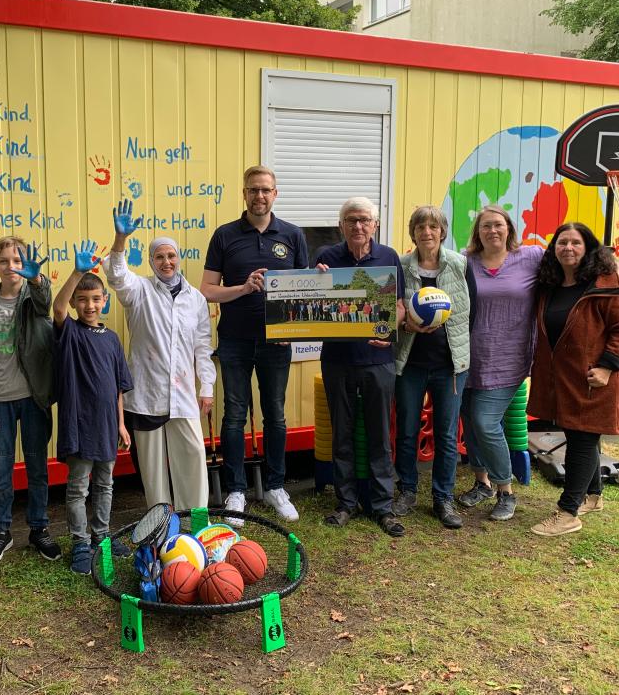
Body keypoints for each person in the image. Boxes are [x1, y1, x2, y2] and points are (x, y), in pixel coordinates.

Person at [201, 165, 308, 525]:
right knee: (234, 415)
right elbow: (208, 290)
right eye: (252, 190)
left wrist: (322, 283)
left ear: (275, 194)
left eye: (265, 190)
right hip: (234, 340)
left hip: (277, 342)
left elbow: (304, 288)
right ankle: (236, 491)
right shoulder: (225, 236)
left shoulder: (293, 235)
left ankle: (276, 487)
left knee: (275, 415)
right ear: (244, 194)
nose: (259, 196)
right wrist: (244, 288)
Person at [103, 199, 215, 510]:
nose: (166, 261)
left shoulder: (195, 299)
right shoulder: (138, 291)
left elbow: (202, 346)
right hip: (147, 392)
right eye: (159, 257)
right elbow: (116, 275)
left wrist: (206, 387)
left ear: (179, 258)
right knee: (152, 468)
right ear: (151, 262)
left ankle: (194, 517)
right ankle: (161, 521)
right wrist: (121, 239)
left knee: (192, 456)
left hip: (183, 395)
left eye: (171, 255)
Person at [528, 223, 619, 537]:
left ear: (588, 249)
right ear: (554, 249)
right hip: (566, 379)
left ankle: (568, 512)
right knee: (579, 436)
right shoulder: (550, 285)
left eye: (576, 243)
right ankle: (594, 495)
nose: (568, 248)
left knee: (582, 440)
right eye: (562, 243)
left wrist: (606, 367)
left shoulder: (606, 283)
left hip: (595, 379)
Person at [316, 197, 406, 537]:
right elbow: (312, 303)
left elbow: (398, 306)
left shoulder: (388, 258)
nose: (358, 226)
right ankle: (346, 503)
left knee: (380, 435)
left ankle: (382, 507)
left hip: (378, 361)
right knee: (342, 433)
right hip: (337, 360)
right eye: (351, 220)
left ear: (375, 224)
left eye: (364, 220)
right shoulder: (325, 258)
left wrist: (390, 330)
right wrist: (315, 281)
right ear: (341, 225)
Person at [0, 237, 58, 564]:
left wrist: (36, 279)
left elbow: (45, 302)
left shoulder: (32, 299)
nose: (11, 267)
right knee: (1, 468)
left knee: (37, 466)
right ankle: (1, 531)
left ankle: (39, 529)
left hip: (33, 398)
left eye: (17, 261)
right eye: (4, 261)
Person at [457, 205, 544, 521]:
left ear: (508, 228)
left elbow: (572, 265)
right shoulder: (465, 262)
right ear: (477, 233)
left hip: (509, 358)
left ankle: (505, 490)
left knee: (485, 421)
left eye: (498, 225)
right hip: (467, 357)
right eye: (485, 227)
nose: (492, 231)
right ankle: (482, 484)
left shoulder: (531, 257)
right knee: (470, 422)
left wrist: (610, 265)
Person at [393, 206, 476, 529]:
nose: (427, 232)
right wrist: (405, 327)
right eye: (420, 227)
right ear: (412, 233)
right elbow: (390, 311)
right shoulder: (400, 266)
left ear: (442, 231)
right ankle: (408, 490)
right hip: (410, 363)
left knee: (445, 432)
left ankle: (443, 497)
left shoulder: (459, 264)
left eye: (433, 226)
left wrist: (458, 351)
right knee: (408, 430)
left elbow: (473, 311)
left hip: (449, 365)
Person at [53, 240, 134, 574]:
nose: (89, 305)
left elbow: (117, 387)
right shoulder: (69, 332)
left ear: (105, 301)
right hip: (79, 425)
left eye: (95, 299)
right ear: (75, 302)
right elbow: (57, 308)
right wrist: (77, 272)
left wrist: (121, 424)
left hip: (106, 427)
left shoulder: (112, 339)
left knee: (105, 485)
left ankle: (101, 536)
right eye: (82, 300)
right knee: (78, 488)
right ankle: (81, 543)